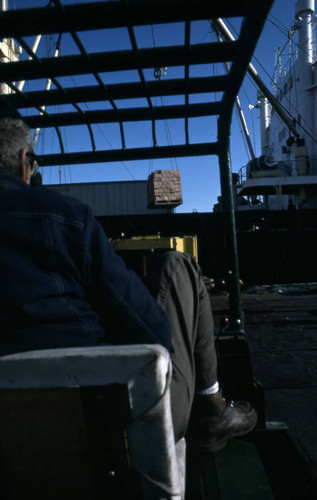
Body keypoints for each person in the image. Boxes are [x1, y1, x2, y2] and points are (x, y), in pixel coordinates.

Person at [0, 115, 257, 452]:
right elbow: (152, 330)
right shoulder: (64, 218)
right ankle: (214, 409)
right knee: (177, 266)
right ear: (23, 163)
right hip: (108, 428)